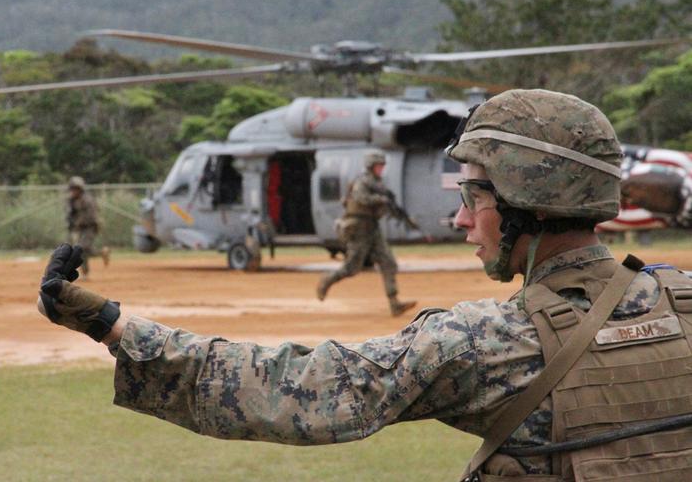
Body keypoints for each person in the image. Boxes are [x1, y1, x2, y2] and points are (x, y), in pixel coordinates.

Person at [36, 90, 692, 480]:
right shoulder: (682, 300)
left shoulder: (486, 345)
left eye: (474, 195)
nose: (462, 216)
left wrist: (113, 326)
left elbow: (293, 390)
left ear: (522, 202)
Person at [316, 151, 417, 316]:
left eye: (382, 166)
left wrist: (405, 219)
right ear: (371, 167)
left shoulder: (378, 183)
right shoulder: (362, 182)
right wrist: (380, 199)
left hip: (372, 227)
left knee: (388, 263)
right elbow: (361, 197)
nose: (381, 169)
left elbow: (389, 206)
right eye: (379, 166)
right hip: (359, 228)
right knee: (352, 268)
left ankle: (394, 303)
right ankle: (327, 280)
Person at [66, 176, 109, 277]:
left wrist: (80, 222)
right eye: (72, 189)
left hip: (90, 227)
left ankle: (86, 271)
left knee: (82, 248)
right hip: (80, 228)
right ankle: (101, 254)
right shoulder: (72, 200)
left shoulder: (87, 200)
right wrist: (72, 224)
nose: (73, 191)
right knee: (81, 250)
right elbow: (71, 215)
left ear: (80, 189)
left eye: (75, 189)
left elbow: (92, 216)